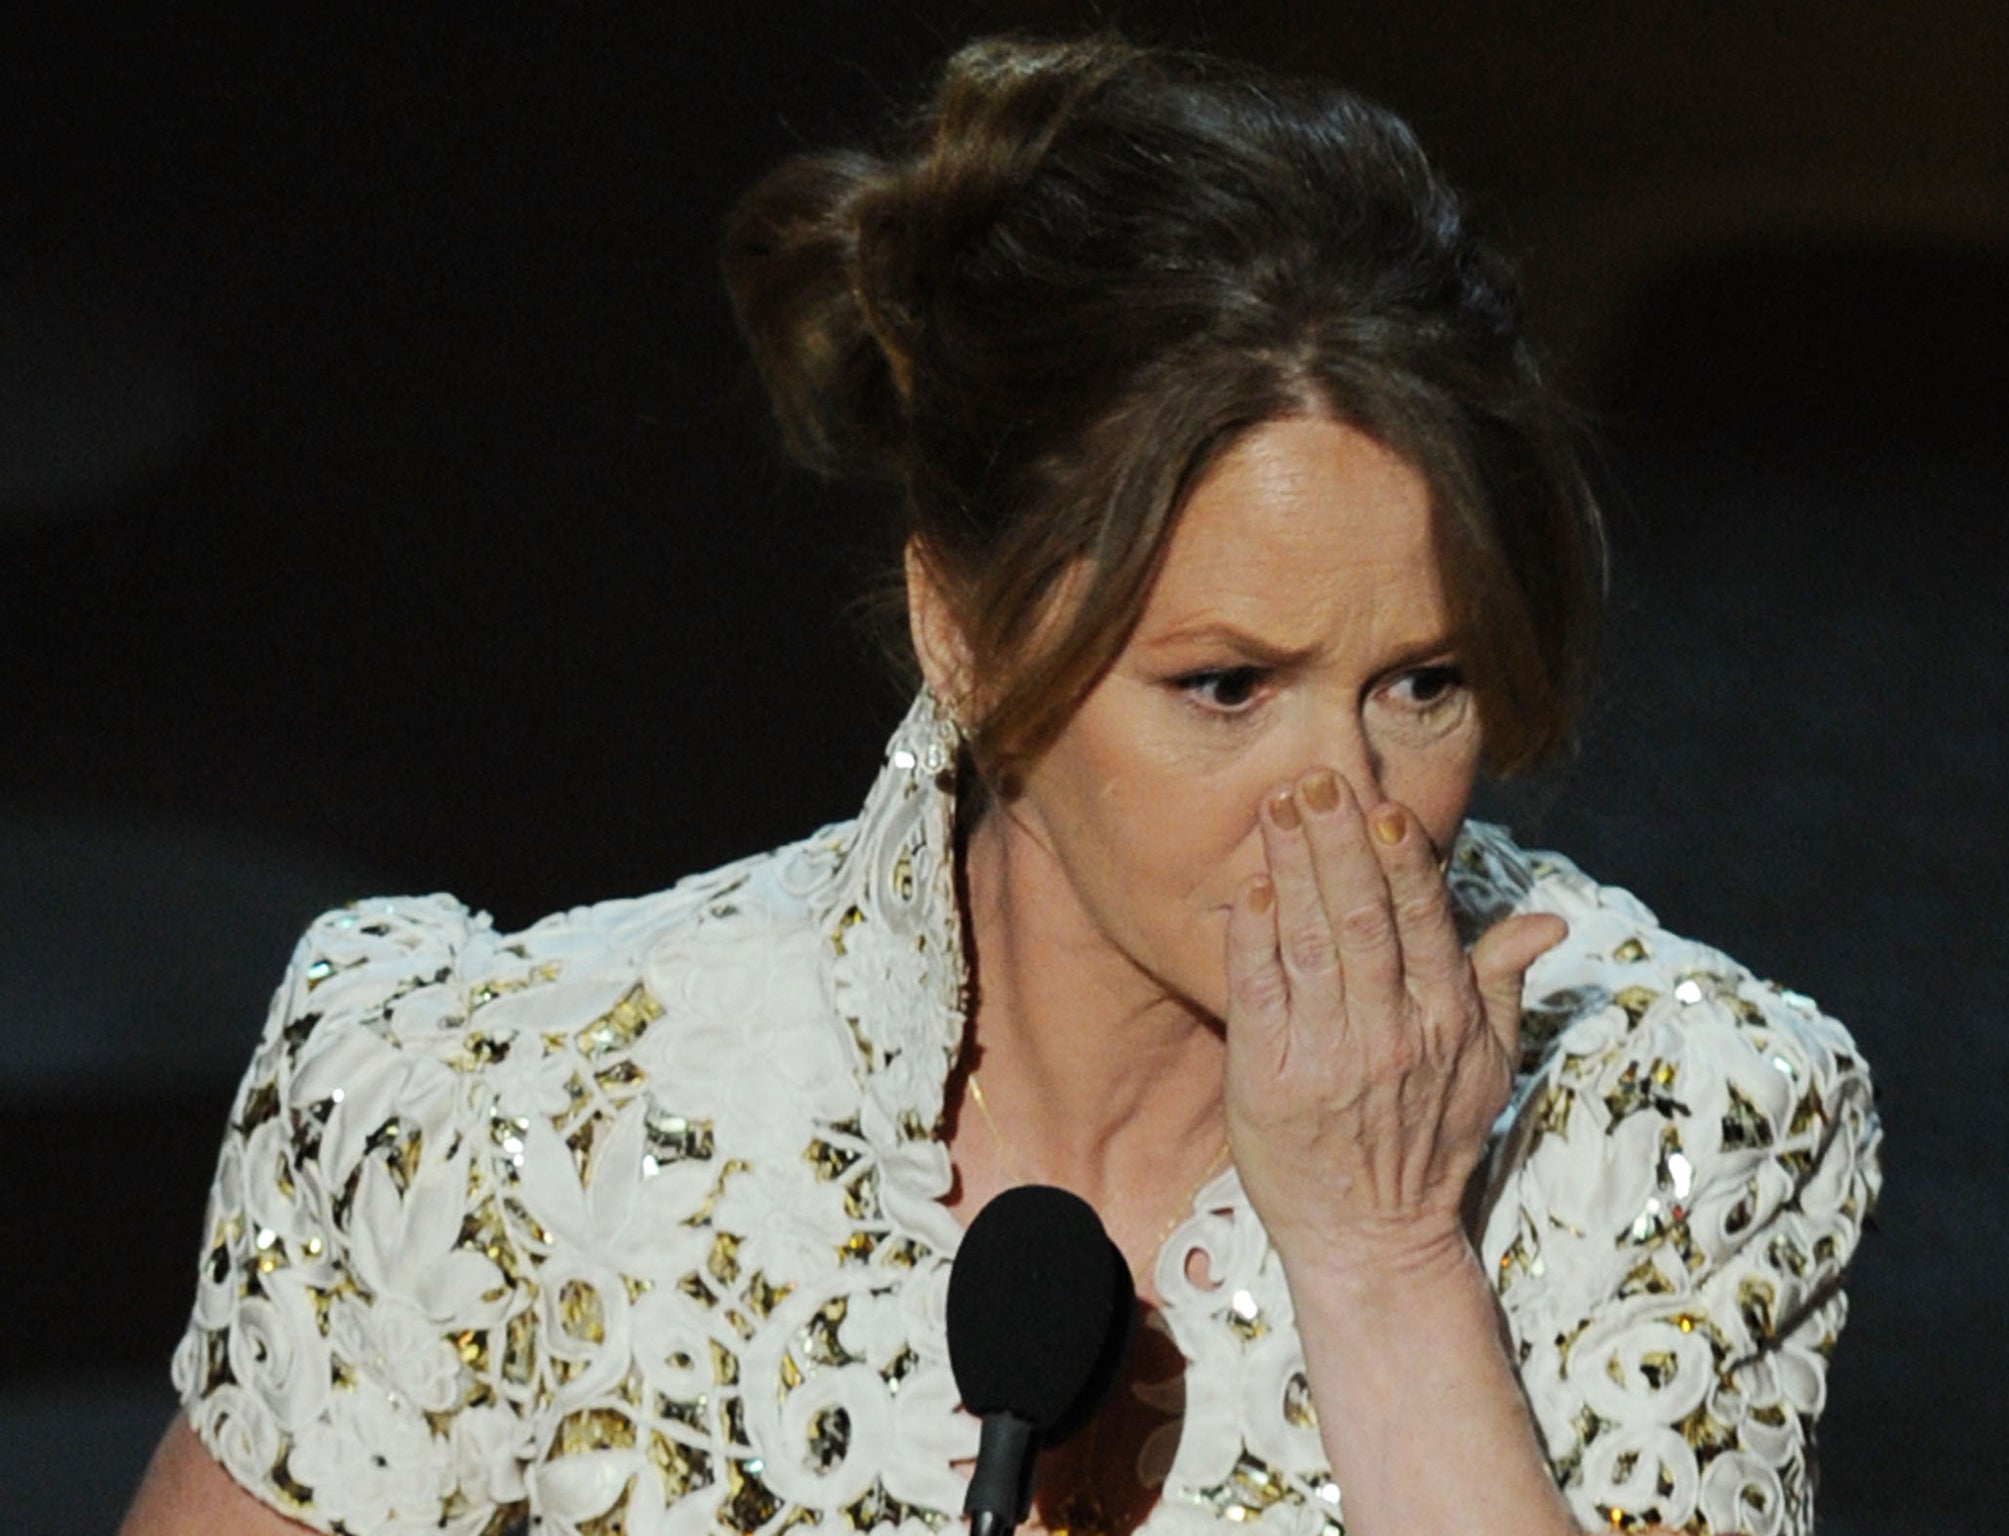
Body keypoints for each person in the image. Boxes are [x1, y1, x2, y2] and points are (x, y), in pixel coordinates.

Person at [123, 34, 1879, 1536]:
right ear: (958, 629)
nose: (1345, 808)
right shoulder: (503, 1113)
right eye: (1226, 687)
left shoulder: (1671, 1128)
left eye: (1421, 685)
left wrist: (1388, 1257)